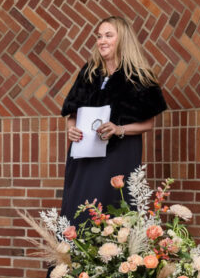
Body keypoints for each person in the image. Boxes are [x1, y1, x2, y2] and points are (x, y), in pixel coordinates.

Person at [59, 16, 167, 224]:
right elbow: (72, 115)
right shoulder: (89, 73)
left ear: (122, 39)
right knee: (79, 211)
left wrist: (119, 129)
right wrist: (71, 129)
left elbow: (148, 123)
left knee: (112, 211)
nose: (102, 41)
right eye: (99, 36)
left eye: (109, 35)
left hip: (118, 156)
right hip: (83, 156)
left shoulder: (139, 77)